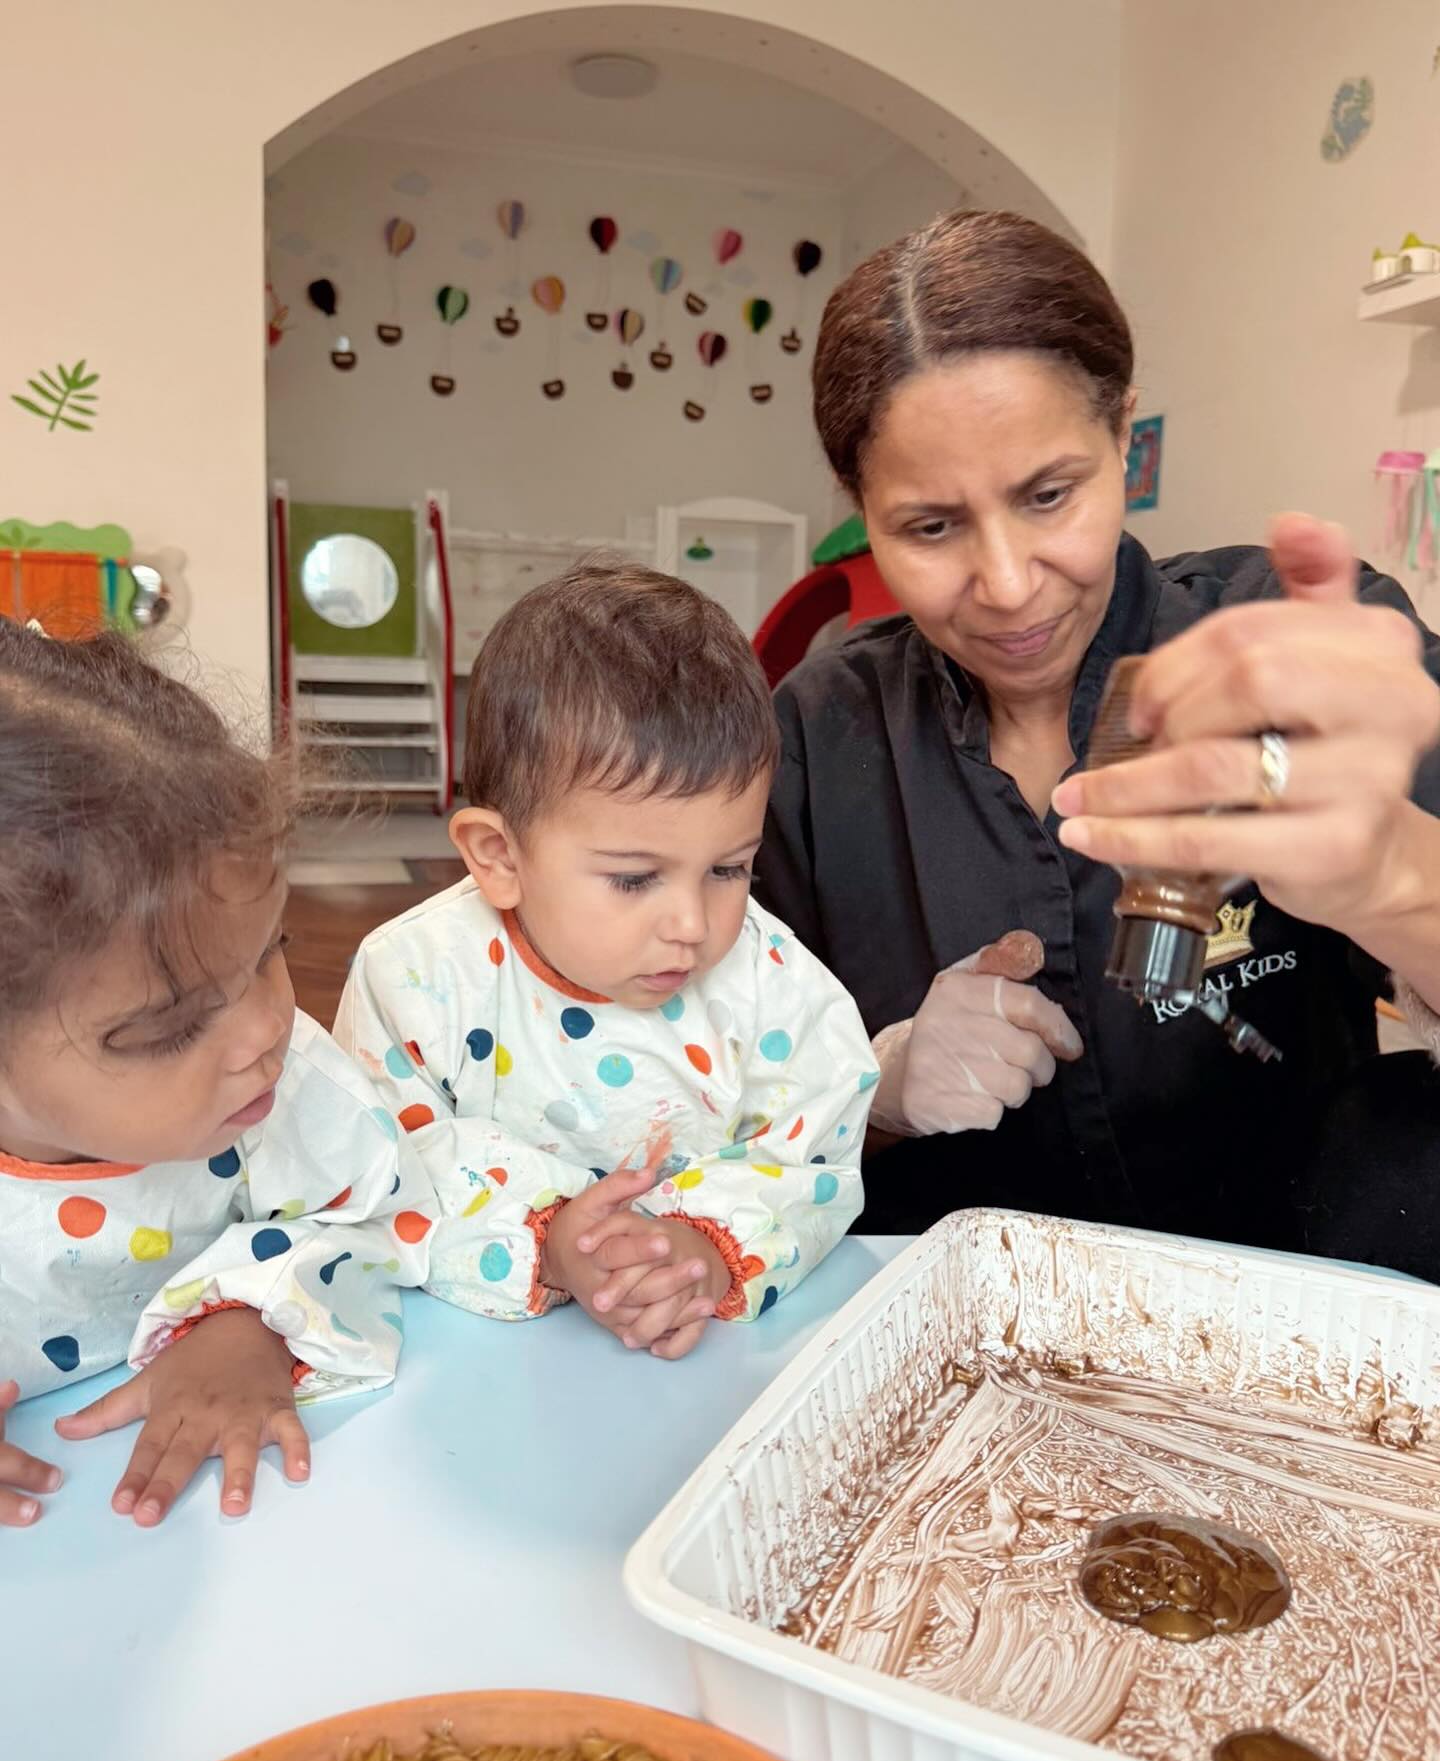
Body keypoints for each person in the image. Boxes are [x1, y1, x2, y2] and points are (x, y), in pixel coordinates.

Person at [755, 209, 1440, 1266]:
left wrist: (1395, 876)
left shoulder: (1284, 646)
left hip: (1292, 1315)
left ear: (1124, 433)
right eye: (931, 526)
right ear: (862, 509)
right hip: (951, 1338)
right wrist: (880, 1091)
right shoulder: (813, 739)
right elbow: (719, 1102)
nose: (1009, 583)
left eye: (1048, 494)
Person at [335, 559, 875, 1357]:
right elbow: (383, 1163)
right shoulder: (412, 977)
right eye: (634, 878)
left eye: (728, 868)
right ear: (499, 856)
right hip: (475, 1366)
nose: (692, 923)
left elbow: (814, 1150)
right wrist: (550, 1243)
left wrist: (703, 1250)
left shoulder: (772, 982)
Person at [0, 620, 430, 1530]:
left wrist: (249, 1316)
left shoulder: (283, 1089)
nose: (267, 1027)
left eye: (270, 951)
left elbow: (370, 1204)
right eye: (174, 1023)